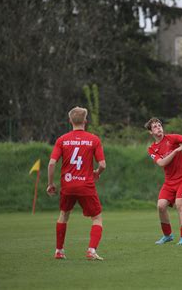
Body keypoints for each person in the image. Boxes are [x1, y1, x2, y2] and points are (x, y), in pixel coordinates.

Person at [46, 106, 106, 260]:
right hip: (86, 185)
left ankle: (59, 251)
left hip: (67, 185)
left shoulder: (62, 140)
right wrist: (97, 173)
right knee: (97, 217)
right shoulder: (93, 139)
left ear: (69, 121)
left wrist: (51, 183)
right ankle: (91, 250)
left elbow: (52, 164)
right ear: (85, 121)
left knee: (64, 215)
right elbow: (103, 165)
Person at [146, 117, 182, 245]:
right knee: (161, 206)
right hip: (169, 182)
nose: (158, 128)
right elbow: (162, 163)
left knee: (180, 205)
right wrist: (176, 151)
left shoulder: (172, 138)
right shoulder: (151, 149)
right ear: (151, 132)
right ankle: (167, 236)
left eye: (159, 125)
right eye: (155, 127)